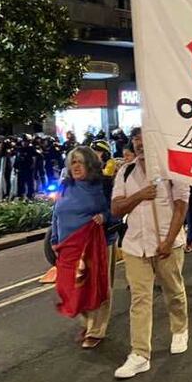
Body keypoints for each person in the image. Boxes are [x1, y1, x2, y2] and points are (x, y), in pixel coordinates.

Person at [110, 128, 190, 380]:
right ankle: (140, 354)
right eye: (136, 142)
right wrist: (140, 195)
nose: (140, 146)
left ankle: (180, 329)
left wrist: (168, 241)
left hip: (167, 243)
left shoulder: (172, 169)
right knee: (140, 299)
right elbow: (115, 208)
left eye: (144, 141)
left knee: (173, 290)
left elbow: (181, 208)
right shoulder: (126, 171)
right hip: (135, 246)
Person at [50, 146, 114, 349]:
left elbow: (117, 209)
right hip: (68, 245)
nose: (76, 166)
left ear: (90, 164)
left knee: (96, 285)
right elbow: (56, 214)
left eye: (80, 162)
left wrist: (104, 217)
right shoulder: (65, 186)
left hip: (94, 244)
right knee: (69, 286)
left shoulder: (102, 185)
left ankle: (96, 330)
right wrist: (54, 238)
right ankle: (87, 323)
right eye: (73, 162)